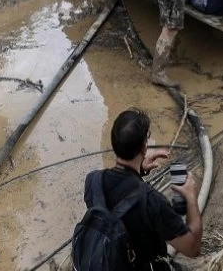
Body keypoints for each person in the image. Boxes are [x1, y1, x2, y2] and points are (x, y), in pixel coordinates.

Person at [83, 109, 202, 270]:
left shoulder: (93, 181)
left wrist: (139, 169)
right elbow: (192, 248)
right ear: (144, 148)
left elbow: (115, 196)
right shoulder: (152, 201)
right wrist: (191, 197)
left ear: (114, 144)